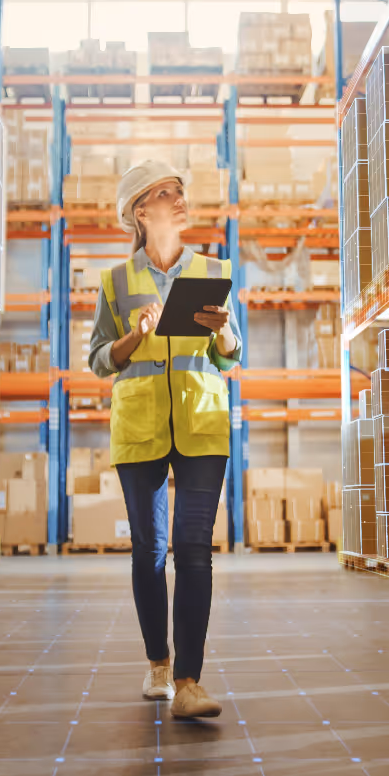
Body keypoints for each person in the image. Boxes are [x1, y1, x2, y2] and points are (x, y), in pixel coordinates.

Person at [86, 159, 242, 720]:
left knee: (194, 550)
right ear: (139, 211)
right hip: (141, 427)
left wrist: (223, 329)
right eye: (163, 193)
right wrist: (134, 336)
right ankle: (158, 663)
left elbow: (231, 352)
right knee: (151, 553)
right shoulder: (116, 281)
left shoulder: (213, 269)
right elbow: (99, 359)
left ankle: (190, 681)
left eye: (179, 191)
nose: (178, 199)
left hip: (202, 424)